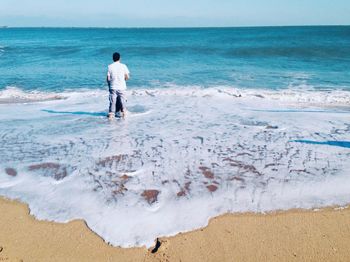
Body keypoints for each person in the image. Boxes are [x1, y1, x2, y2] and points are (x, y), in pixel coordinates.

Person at [107, 52, 130, 119]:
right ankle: (124, 114)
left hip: (113, 87)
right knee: (123, 101)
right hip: (122, 87)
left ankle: (111, 115)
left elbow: (108, 78)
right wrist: (123, 79)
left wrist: (109, 86)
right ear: (120, 58)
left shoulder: (110, 66)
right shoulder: (123, 66)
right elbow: (127, 77)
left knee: (112, 102)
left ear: (113, 59)